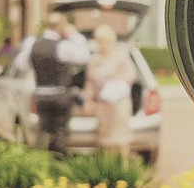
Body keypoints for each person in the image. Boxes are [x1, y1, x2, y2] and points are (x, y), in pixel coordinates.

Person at [12, 13, 90, 156]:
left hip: (41, 93)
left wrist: (36, 68)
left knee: (43, 130)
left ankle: (41, 159)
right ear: (61, 26)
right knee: (60, 131)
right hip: (60, 94)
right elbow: (84, 57)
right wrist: (74, 35)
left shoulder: (33, 43)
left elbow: (20, 64)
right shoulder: (63, 46)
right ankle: (58, 160)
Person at [86, 24, 137, 159]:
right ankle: (108, 168)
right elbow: (89, 82)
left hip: (119, 104)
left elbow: (131, 75)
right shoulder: (94, 59)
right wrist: (88, 100)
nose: (100, 45)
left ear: (110, 41)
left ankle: (123, 167)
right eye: (98, 41)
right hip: (102, 105)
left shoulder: (120, 56)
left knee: (121, 138)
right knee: (104, 137)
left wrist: (117, 81)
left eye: (103, 41)